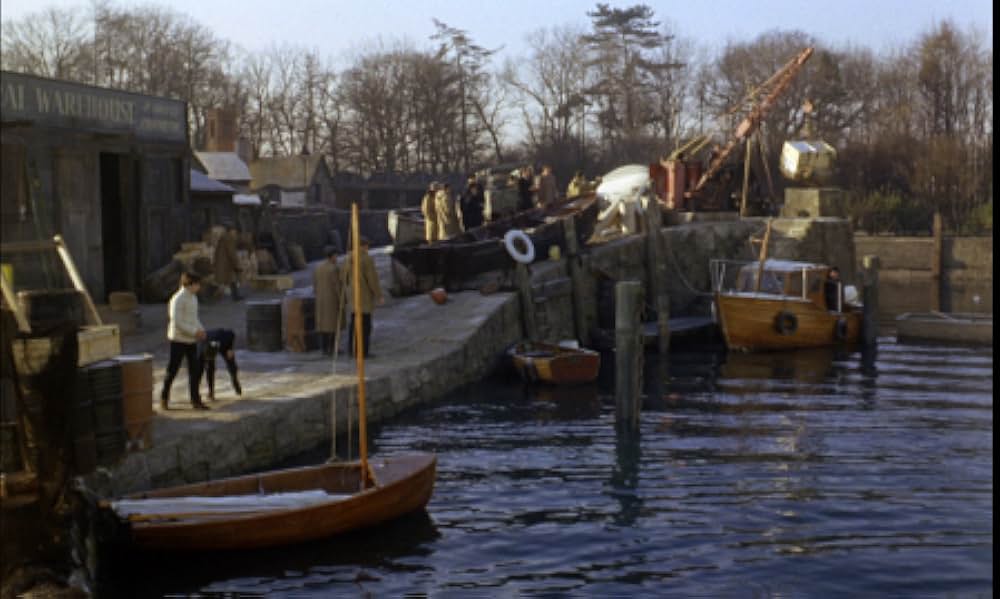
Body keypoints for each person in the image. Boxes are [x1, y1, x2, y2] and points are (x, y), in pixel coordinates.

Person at [161, 272, 209, 410]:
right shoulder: (177, 299)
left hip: (191, 340)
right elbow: (177, 322)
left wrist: (201, 330)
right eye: (197, 284)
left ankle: (195, 400)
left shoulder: (193, 298)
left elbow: (194, 318)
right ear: (190, 284)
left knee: (195, 370)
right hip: (178, 339)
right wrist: (195, 332)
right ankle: (164, 397)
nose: (199, 287)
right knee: (173, 369)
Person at [341, 236, 384, 358]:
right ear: (363, 246)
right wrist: (378, 295)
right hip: (364, 296)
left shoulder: (347, 258)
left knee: (353, 324)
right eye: (367, 245)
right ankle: (363, 351)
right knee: (365, 326)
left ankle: (352, 349)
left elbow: (342, 277)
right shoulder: (366, 258)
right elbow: (372, 279)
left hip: (352, 295)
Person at [313, 246, 344, 355]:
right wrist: (342, 300)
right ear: (332, 256)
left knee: (323, 326)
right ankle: (332, 348)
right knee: (333, 326)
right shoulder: (334, 268)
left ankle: (324, 348)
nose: (337, 258)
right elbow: (337, 286)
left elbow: (315, 285)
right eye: (336, 255)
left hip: (321, 300)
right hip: (332, 300)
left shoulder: (318, 268)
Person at [200, 328, 241, 400]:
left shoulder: (207, 337)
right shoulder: (229, 334)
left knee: (210, 368)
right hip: (215, 342)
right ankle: (234, 381)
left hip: (216, 342)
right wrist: (230, 348)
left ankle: (211, 392)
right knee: (229, 364)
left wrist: (230, 348)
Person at [214, 224, 243, 301]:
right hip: (226, 264)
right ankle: (216, 296)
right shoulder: (229, 239)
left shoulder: (224, 238)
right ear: (231, 231)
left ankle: (235, 296)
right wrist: (237, 263)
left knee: (231, 280)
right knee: (227, 281)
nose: (235, 233)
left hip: (224, 263)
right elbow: (231, 253)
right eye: (234, 231)